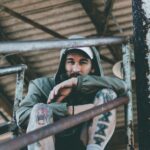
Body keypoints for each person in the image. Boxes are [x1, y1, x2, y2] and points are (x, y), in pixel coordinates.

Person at [16, 35, 128, 150]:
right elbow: (22, 116)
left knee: (108, 94)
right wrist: (68, 110)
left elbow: (123, 86)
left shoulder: (98, 86)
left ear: (92, 67)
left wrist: (76, 82)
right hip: (51, 142)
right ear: (63, 64)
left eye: (83, 62)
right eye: (70, 62)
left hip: (83, 143)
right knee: (40, 109)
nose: (75, 69)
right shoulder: (41, 85)